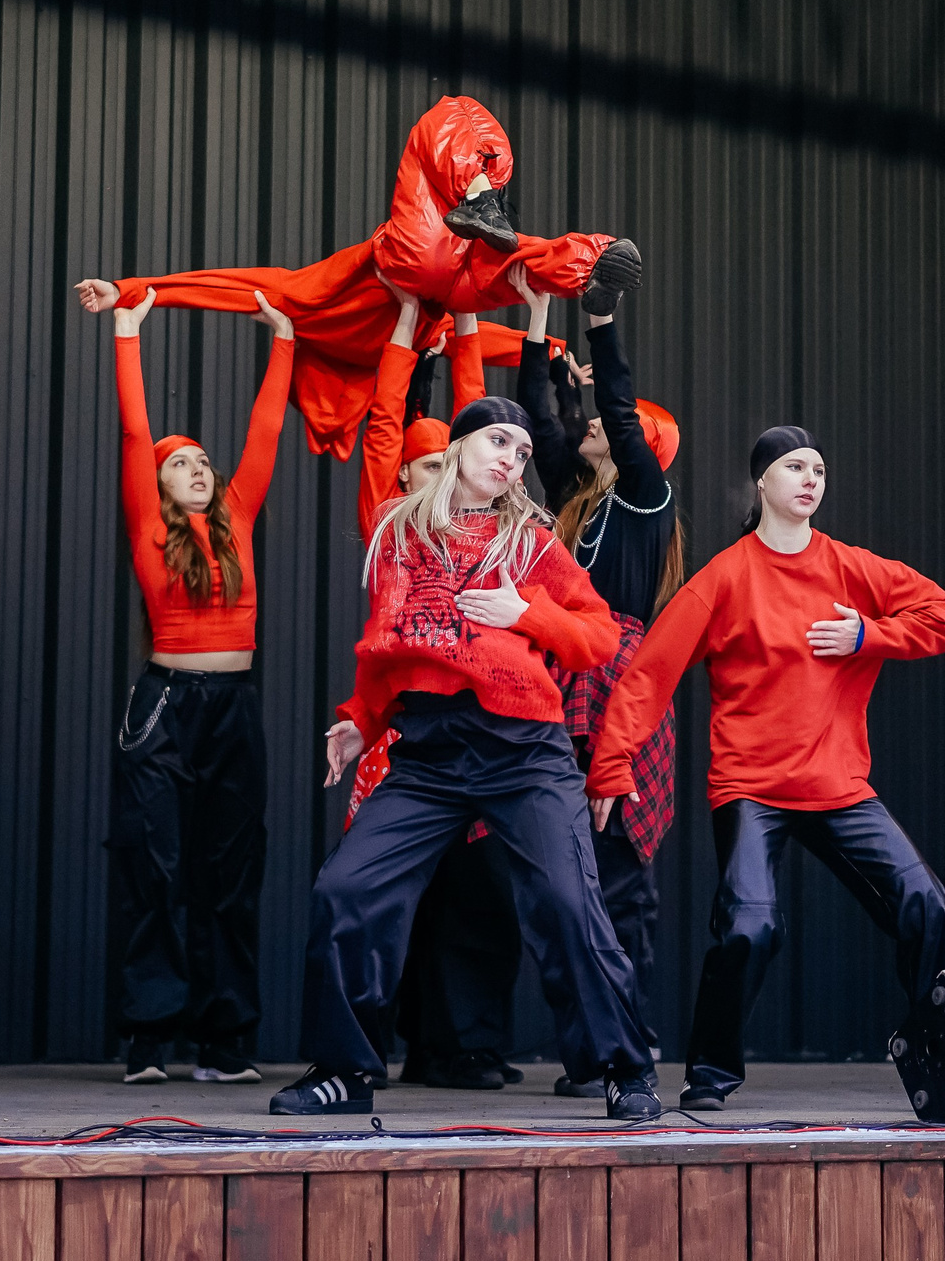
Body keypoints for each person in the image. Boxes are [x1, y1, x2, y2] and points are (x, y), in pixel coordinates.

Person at [276, 398, 662, 1120]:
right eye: (497, 440)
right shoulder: (399, 533)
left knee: (568, 903)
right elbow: (390, 638)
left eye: (520, 451)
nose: (511, 458)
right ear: (456, 446)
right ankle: (343, 1069)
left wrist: (527, 615)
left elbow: (598, 637)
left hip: (523, 748)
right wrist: (363, 719)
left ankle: (622, 1066)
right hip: (428, 751)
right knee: (346, 891)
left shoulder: (531, 542)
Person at [590, 427, 945, 1112]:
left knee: (926, 902)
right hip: (752, 789)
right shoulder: (725, 577)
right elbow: (649, 674)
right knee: (749, 928)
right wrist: (612, 764)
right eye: (795, 466)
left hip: (839, 787)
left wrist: (870, 635)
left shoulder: (852, 568)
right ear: (761, 481)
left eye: (820, 468)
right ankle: (709, 1074)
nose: (811, 478)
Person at [74, 97, 641, 458]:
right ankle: (585, 255)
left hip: (425, 269)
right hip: (432, 274)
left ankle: (550, 239)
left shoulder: (330, 314)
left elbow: (229, 289)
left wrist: (131, 289)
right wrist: (547, 346)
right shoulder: (404, 345)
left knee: (509, 258)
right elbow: (476, 357)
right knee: (469, 144)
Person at [76, 280, 296, 1085]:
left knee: (231, 870)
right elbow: (136, 430)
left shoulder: (237, 513)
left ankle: (225, 1037)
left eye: (203, 461)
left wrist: (284, 340)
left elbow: (266, 430)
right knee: (157, 868)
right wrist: (128, 332)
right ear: (160, 482)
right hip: (164, 704)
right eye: (183, 464)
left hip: (234, 706)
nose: (198, 469)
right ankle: (148, 1037)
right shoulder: (147, 520)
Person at [346, 290, 526, 1092]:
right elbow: (386, 421)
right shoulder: (391, 521)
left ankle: (465, 1048)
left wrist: (465, 325)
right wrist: (404, 332)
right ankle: (371, 1047)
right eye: (415, 463)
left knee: (478, 899)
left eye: (437, 458)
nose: (428, 470)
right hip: (405, 732)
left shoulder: (493, 520)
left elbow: (473, 409)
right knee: (388, 896)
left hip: (482, 724)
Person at [514, 277, 684, 1095]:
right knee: (559, 886)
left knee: (620, 882)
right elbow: (539, 418)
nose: (590, 429)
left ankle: (629, 1048)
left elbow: (613, 408)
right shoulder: (570, 500)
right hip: (557, 678)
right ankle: (588, 1053)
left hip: (620, 688)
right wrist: (537, 318)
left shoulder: (647, 499)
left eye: (615, 427)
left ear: (639, 441)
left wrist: (602, 323)